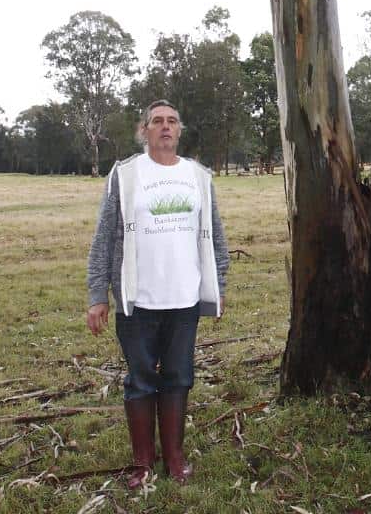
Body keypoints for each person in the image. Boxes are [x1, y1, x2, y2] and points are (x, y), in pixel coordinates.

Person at [86, 99, 229, 488]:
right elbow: (103, 237)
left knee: (179, 376)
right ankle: (143, 462)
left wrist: (219, 284)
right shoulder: (126, 175)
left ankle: (175, 456)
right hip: (138, 298)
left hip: (184, 299)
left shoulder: (198, 176)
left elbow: (215, 235)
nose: (165, 127)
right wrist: (98, 293)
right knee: (141, 378)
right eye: (157, 121)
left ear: (179, 130)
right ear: (144, 130)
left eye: (172, 121)